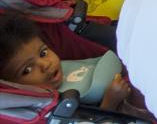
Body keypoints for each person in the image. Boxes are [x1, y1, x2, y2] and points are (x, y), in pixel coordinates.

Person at [0, 15, 134, 113]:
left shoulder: (63, 66)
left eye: (43, 53)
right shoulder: (44, 109)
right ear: (11, 85)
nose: (45, 64)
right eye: (27, 70)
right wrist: (109, 103)